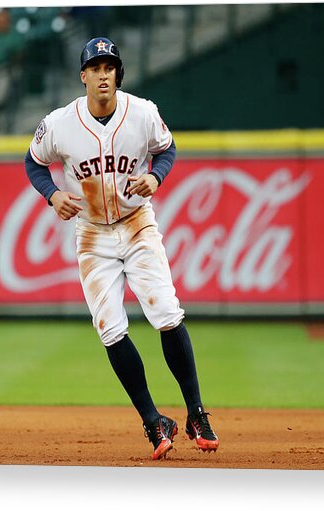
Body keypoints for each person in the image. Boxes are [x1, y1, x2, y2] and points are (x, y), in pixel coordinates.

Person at [24, 37, 219, 460]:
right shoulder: (60, 123)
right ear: (83, 77)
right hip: (92, 233)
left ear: (118, 74)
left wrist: (157, 177)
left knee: (166, 313)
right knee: (111, 329)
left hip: (136, 224)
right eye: (95, 68)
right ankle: (154, 421)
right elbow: (34, 161)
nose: (103, 74)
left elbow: (166, 150)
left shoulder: (143, 113)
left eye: (109, 67)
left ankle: (196, 412)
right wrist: (52, 195)